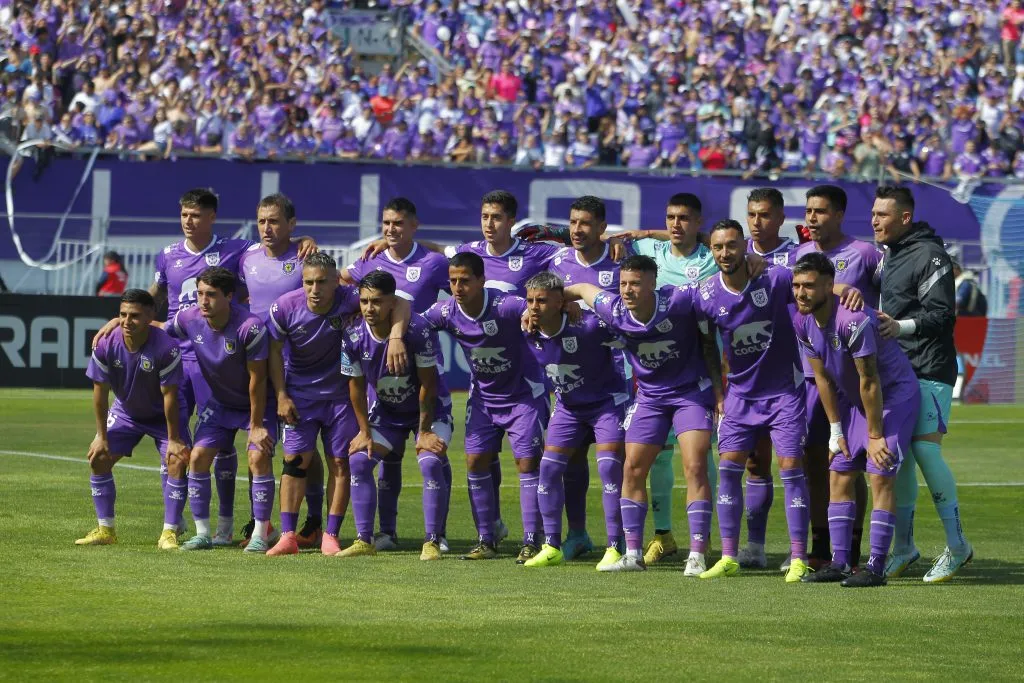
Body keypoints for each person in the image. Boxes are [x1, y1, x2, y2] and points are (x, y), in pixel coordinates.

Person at [93, 188, 316, 546]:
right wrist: (119, 319)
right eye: (184, 214)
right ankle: (175, 522)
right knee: (176, 439)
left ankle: (225, 526)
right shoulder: (168, 255)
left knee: (223, 446)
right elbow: (154, 295)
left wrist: (302, 238)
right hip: (173, 350)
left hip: (215, 356)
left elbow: (275, 244)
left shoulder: (236, 249)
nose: (188, 221)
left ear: (211, 217)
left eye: (196, 215)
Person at [565, 256, 719, 574]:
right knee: (632, 468)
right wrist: (547, 305)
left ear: (653, 283)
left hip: (690, 393)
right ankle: (633, 554)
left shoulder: (680, 298)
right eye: (623, 283)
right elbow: (579, 286)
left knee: (694, 466)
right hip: (650, 399)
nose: (627, 290)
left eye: (635, 283)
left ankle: (697, 555)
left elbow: (720, 288)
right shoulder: (614, 308)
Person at [265, 253, 408, 556]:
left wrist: (396, 335)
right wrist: (281, 394)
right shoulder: (284, 307)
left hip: (341, 398)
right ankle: (288, 535)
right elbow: (274, 352)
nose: (314, 289)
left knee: (341, 463)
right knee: (294, 462)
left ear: (336, 282)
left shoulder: (352, 299)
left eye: (321, 282)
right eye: (308, 282)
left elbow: (400, 303)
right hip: (300, 396)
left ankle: (330, 534)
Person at [792, 252, 921, 588]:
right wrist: (835, 429)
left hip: (892, 397)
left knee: (880, 476)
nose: (801, 293)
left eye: (808, 286)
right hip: (854, 403)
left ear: (827, 286)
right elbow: (821, 377)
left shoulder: (853, 319)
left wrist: (876, 435)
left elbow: (870, 380)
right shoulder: (802, 320)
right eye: (796, 286)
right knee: (839, 475)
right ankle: (839, 562)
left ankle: (876, 567)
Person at [604, 194, 720, 566]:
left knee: (699, 461)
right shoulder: (647, 248)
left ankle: (703, 545)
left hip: (699, 364)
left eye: (684, 218)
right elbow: (601, 241)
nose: (675, 224)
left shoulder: (709, 257)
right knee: (651, 461)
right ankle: (661, 536)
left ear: (699, 222)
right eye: (669, 217)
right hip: (650, 373)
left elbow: (730, 248)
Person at [694, 220, 811, 583]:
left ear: (744, 245)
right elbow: (705, 346)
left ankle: (798, 558)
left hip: (784, 393)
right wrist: (718, 392)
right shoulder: (705, 295)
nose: (725, 253)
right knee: (728, 468)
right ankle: (729, 555)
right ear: (711, 251)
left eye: (732, 245)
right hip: (740, 397)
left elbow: (814, 293)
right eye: (718, 247)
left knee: (791, 468)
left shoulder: (775, 279)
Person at [770, 185, 879, 572]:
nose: (811, 218)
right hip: (814, 376)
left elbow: (886, 300)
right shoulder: (801, 254)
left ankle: (851, 547)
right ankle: (819, 547)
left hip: (852, 378)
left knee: (853, 460)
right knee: (814, 460)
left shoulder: (864, 254)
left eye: (819, 211)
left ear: (838, 214)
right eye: (808, 211)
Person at [872, 186, 974, 583]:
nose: (875, 220)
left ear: (905, 218)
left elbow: (943, 315)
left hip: (929, 367)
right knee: (897, 458)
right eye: (874, 213)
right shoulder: (888, 255)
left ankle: (958, 545)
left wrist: (900, 327)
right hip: (897, 370)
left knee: (925, 451)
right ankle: (903, 547)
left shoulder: (930, 255)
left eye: (883, 214)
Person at [423, 252, 549, 562]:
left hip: (524, 395)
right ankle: (486, 540)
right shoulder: (447, 311)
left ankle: (532, 540)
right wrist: (398, 334)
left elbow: (531, 311)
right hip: (483, 397)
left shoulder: (505, 304)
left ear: (482, 280)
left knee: (526, 464)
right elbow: (417, 322)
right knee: (475, 461)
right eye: (452, 281)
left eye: (464, 280)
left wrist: (531, 317)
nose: (457, 287)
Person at [343, 198, 453, 549]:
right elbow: (340, 280)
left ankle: (437, 538)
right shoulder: (370, 262)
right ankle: (380, 535)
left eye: (399, 224)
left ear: (414, 225)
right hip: (385, 391)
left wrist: (405, 329)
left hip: (422, 377)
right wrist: (304, 247)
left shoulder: (433, 263)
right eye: (386, 223)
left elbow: (464, 280)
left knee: (431, 459)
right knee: (374, 459)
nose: (391, 230)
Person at [165, 267, 277, 553]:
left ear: (230, 296)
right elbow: (159, 330)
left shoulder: (249, 327)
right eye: (200, 293)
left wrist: (256, 425)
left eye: (211, 295)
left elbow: (258, 379)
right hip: (220, 403)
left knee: (257, 455)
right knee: (199, 456)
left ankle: (261, 534)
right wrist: (118, 321)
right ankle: (203, 533)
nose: (203, 301)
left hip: (255, 403)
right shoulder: (190, 318)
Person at [521, 272, 627, 569]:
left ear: (561, 301)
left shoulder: (589, 325)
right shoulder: (528, 328)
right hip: (568, 408)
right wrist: (524, 311)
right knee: (548, 470)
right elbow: (517, 309)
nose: (534, 307)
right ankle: (552, 545)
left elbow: (629, 330)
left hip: (606, 403)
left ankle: (615, 546)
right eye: (530, 301)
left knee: (608, 468)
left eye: (541, 301)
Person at [238, 193, 325, 549]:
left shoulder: (305, 259)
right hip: (256, 367)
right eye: (261, 221)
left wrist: (305, 243)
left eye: (274, 221)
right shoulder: (245, 257)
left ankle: (314, 520)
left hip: (298, 368)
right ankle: (261, 523)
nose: (266, 228)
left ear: (291, 224)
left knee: (304, 449)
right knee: (257, 444)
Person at [77, 289, 191, 549]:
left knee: (176, 459)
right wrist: (100, 436)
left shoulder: (166, 347)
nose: (127, 321)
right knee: (99, 457)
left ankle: (169, 532)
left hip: (164, 416)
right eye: (123, 315)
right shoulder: (106, 342)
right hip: (126, 412)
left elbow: (170, 397)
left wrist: (174, 439)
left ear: (151, 315)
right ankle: (106, 530)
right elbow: (99, 393)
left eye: (135, 316)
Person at [544, 195, 623, 562]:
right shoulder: (556, 261)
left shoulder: (620, 261)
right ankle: (576, 533)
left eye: (586, 223)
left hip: (617, 380)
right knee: (570, 461)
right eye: (573, 222)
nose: (577, 230)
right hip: (572, 383)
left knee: (618, 463)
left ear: (603, 228)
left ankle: (622, 541)